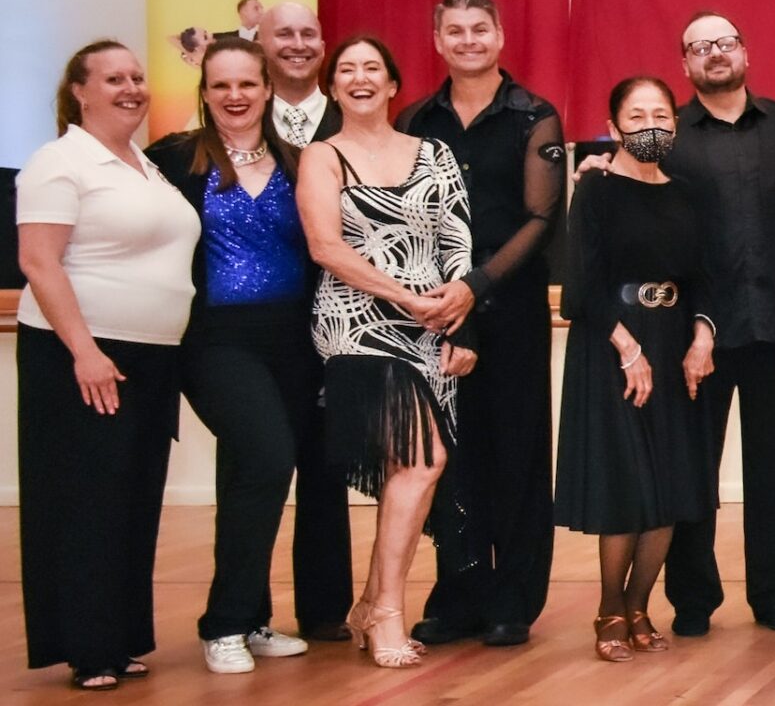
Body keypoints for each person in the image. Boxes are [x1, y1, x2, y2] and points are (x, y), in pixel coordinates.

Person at [18, 40, 199, 692]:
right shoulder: (59, 161)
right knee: (86, 504)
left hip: (151, 360)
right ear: (81, 91)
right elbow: (39, 262)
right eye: (114, 78)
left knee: (132, 501)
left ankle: (120, 638)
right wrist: (85, 351)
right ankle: (87, 648)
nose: (131, 88)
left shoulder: (144, 166)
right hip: (82, 356)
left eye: (137, 77)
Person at [141, 38, 323, 673]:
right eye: (221, 86)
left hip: (293, 342)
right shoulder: (172, 158)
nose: (235, 96)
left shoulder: (300, 162)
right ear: (205, 92)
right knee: (268, 456)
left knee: (254, 471)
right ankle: (223, 624)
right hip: (214, 341)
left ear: (268, 88)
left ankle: (251, 617)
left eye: (247, 83)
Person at [298, 35, 479, 670]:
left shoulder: (433, 151)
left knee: (413, 471)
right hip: (359, 323)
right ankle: (387, 614)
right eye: (346, 70)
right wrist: (407, 298)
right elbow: (326, 248)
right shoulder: (323, 157)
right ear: (332, 86)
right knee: (422, 460)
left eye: (372, 67)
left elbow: (457, 237)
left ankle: (371, 600)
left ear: (394, 82)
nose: (359, 78)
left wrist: (458, 316)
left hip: (434, 325)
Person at [396, 0, 566, 649]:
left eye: (479, 29)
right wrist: (443, 296)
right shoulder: (415, 119)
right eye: (455, 31)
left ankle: (512, 601)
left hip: (511, 309)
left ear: (499, 36)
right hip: (435, 314)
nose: (468, 40)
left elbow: (541, 219)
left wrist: (476, 285)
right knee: (451, 458)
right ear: (437, 41)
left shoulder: (534, 116)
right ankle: (458, 597)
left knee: (516, 453)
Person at [656, 13, 775, 637]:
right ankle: (692, 598)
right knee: (693, 467)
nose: (714, 54)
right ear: (685, 65)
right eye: (699, 47)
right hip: (695, 332)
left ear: (746, 51)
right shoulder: (666, 133)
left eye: (725, 42)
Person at [555, 76, 718, 663]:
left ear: (675, 125)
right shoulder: (596, 189)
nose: (650, 125)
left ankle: (641, 605)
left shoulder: (689, 192)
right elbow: (581, 285)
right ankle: (608, 609)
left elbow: (705, 277)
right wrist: (627, 347)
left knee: (670, 486)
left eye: (661, 114)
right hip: (611, 341)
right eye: (637, 114)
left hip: (675, 343)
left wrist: (702, 336)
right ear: (614, 121)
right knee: (625, 485)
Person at [261, 2, 341, 148]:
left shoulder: (351, 122)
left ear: (322, 49)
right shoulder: (242, 126)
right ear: (260, 48)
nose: (299, 45)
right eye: (285, 34)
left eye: (308, 35)